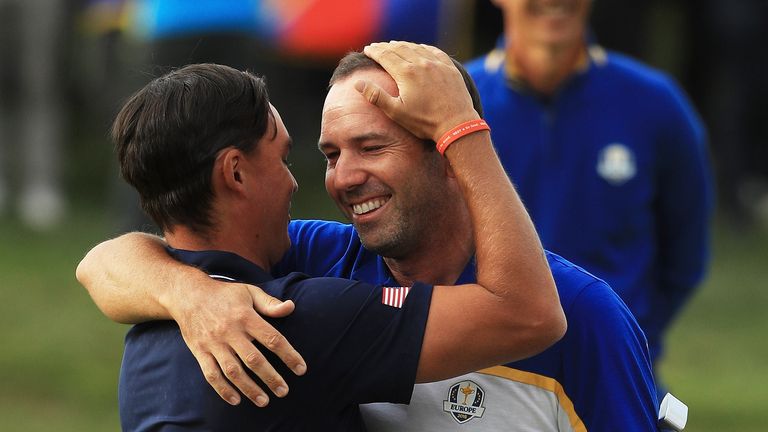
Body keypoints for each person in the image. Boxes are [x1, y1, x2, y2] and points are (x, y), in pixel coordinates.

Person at [77, 49, 660, 429]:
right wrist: (192, 294)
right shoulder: (305, 265)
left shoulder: (583, 316)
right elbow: (104, 262)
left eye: (372, 147)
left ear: (450, 151)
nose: (342, 177)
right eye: (331, 153)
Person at [463, 0, 713, 399]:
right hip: (488, 383)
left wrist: (623, 332)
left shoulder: (656, 103)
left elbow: (684, 256)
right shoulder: (455, 106)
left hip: (615, 379)